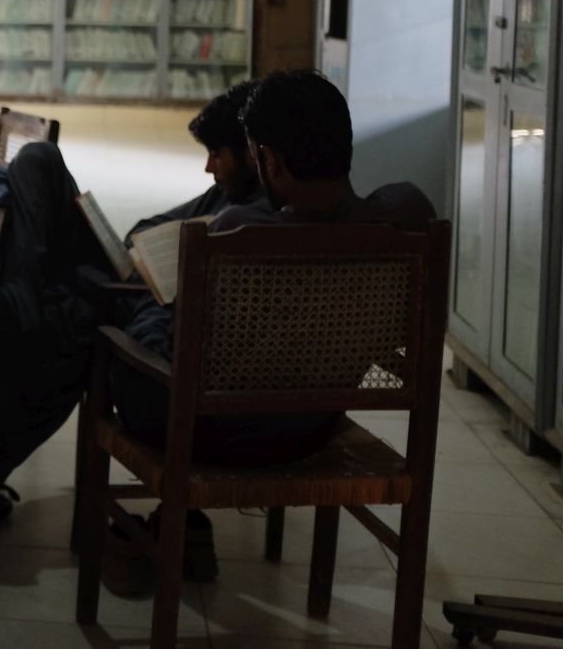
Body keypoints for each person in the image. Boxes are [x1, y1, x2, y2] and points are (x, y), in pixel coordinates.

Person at [100, 70, 436, 595]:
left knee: (129, 317)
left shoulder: (236, 234)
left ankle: (154, 528)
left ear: (270, 161)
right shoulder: (409, 221)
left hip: (202, 433)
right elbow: (389, 199)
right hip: (311, 428)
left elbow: (181, 352)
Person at [0, 82, 264, 548]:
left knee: (14, 329)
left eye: (217, 154)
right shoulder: (231, 194)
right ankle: (20, 296)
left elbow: (169, 330)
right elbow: (144, 231)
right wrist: (153, 257)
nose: (209, 167)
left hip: (124, 315)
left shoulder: (249, 225)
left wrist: (145, 290)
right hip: (121, 282)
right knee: (39, 160)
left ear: (256, 154)